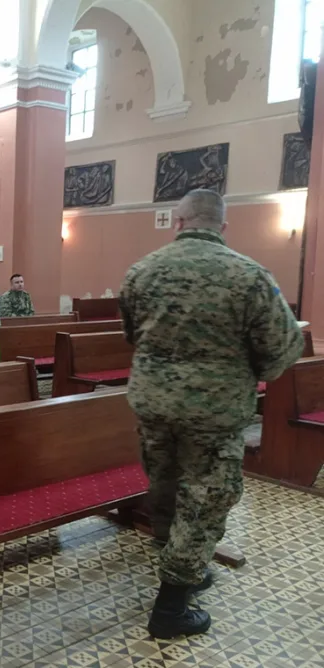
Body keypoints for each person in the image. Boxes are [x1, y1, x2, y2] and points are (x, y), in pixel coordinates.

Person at [120, 189, 305, 640]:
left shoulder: (141, 271)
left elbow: (131, 335)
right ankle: (171, 607)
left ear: (178, 222)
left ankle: (182, 564)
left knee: (164, 485)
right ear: (222, 226)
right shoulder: (250, 276)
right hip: (214, 411)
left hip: (154, 404)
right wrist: (245, 370)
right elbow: (282, 349)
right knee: (205, 500)